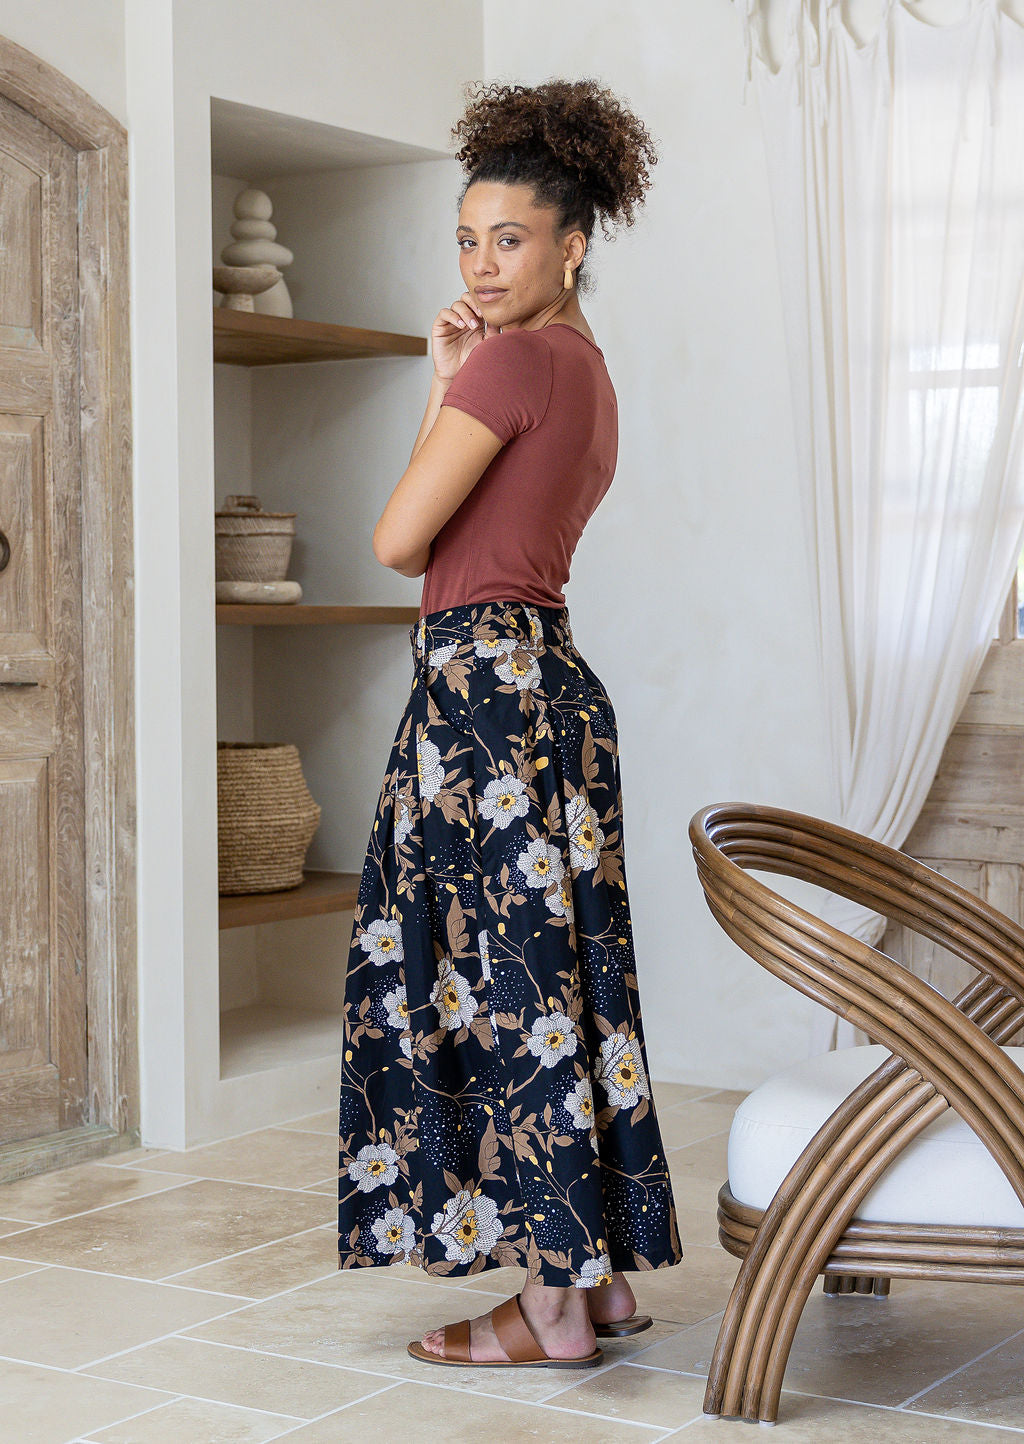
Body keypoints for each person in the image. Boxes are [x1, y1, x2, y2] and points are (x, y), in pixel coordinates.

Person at [338, 76, 681, 1370]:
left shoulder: (520, 360)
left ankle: (543, 1312)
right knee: (557, 984)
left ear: (574, 242)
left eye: (512, 239)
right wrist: (448, 374)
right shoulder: (579, 368)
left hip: (483, 699)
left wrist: (451, 384)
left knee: (500, 990)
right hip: (547, 689)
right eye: (467, 240)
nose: (483, 265)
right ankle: (591, 1284)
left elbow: (397, 539)